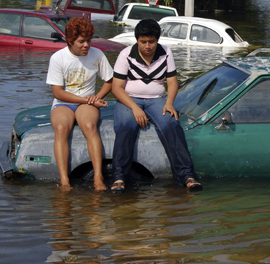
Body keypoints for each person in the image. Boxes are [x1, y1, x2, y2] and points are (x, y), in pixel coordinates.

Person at [110, 18, 202, 192]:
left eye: (151, 41)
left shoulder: (166, 53)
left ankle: (186, 176)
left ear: (157, 40)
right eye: (143, 41)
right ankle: (119, 177)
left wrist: (169, 103)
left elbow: (172, 83)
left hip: (156, 99)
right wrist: (135, 108)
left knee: (171, 124)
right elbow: (117, 87)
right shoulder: (126, 54)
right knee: (125, 126)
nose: (147, 46)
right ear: (137, 40)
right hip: (129, 99)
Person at [46, 17, 114, 191]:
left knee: (90, 125)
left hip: (87, 103)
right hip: (63, 103)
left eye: (89, 40)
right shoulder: (58, 58)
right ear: (70, 41)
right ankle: (64, 180)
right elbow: (58, 92)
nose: (86, 45)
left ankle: (98, 177)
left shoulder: (97, 54)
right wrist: (88, 99)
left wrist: (96, 97)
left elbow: (110, 80)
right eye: (81, 42)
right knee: (61, 128)